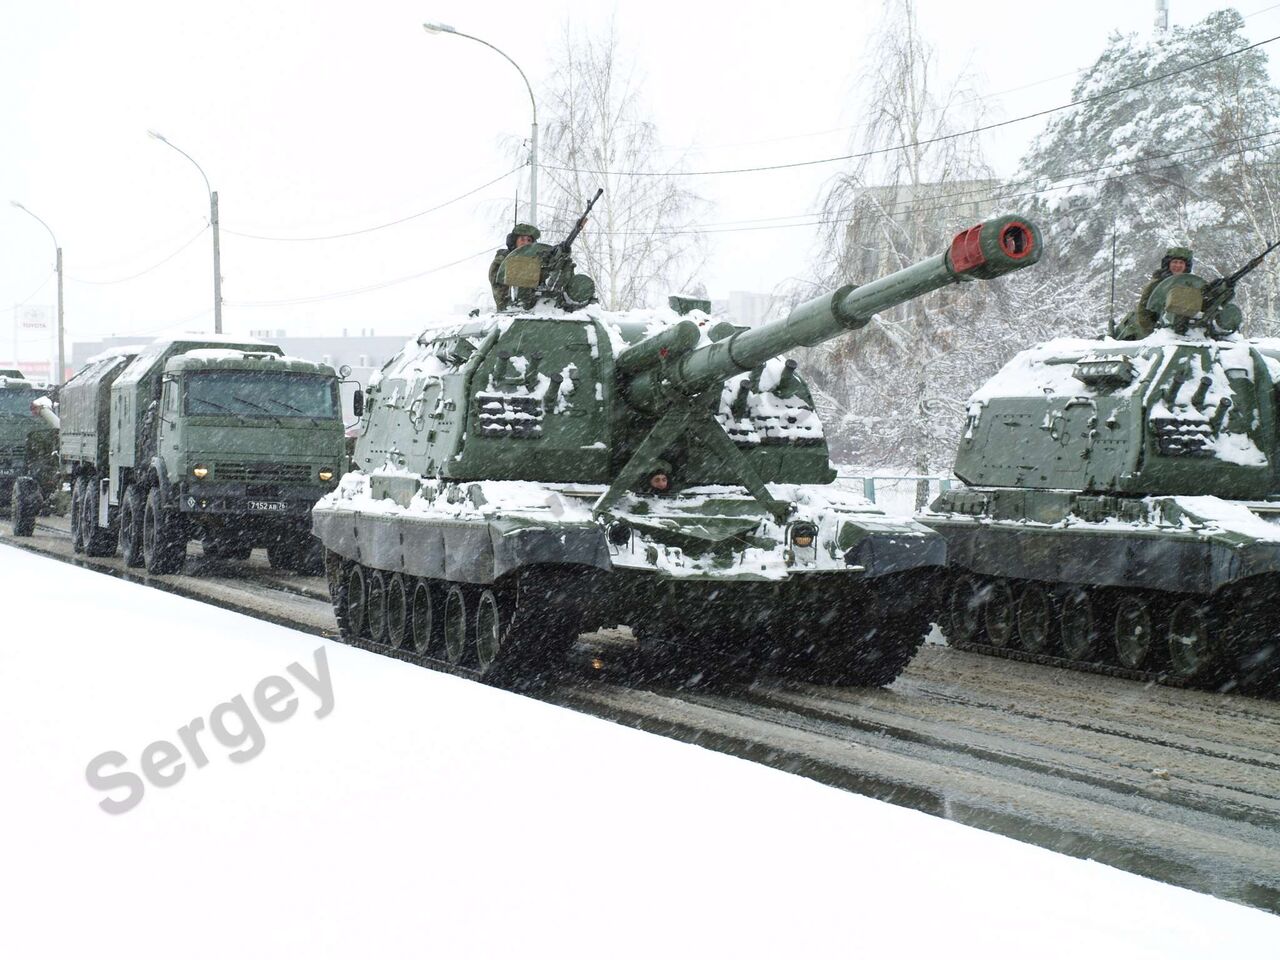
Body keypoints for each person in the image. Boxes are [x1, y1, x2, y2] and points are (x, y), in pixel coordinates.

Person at [1115, 246, 1194, 340]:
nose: (1177, 266)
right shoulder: (1156, 284)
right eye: (1174, 262)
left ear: (1186, 266)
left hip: (1184, 331)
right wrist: (1152, 331)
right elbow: (1143, 311)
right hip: (1158, 330)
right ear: (1168, 264)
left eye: (1181, 263)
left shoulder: (1191, 285)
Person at [488, 223, 541, 310]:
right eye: (522, 239)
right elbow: (501, 292)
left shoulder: (537, 261)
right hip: (512, 311)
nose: (526, 243)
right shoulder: (502, 261)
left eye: (529, 240)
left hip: (537, 309)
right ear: (514, 242)